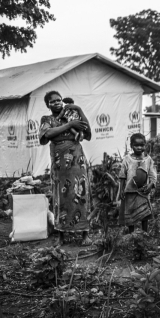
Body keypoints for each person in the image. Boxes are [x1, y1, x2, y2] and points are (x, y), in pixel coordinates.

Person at [39, 91, 92, 245]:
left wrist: (79, 109)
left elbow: (88, 132)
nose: (57, 103)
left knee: (81, 194)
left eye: (59, 100)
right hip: (59, 165)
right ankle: (61, 236)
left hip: (77, 162)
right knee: (60, 198)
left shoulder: (72, 115)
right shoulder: (47, 119)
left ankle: (85, 234)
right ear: (48, 105)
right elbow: (47, 134)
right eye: (53, 101)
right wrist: (69, 126)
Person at [119, 133, 157, 233]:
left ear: (145, 145)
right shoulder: (127, 159)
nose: (139, 148)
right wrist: (121, 190)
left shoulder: (148, 160)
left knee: (145, 214)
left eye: (142, 145)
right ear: (131, 146)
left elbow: (153, 174)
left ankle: (145, 234)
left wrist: (151, 184)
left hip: (143, 192)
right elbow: (122, 175)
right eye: (136, 145)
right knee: (131, 215)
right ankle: (132, 236)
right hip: (130, 192)